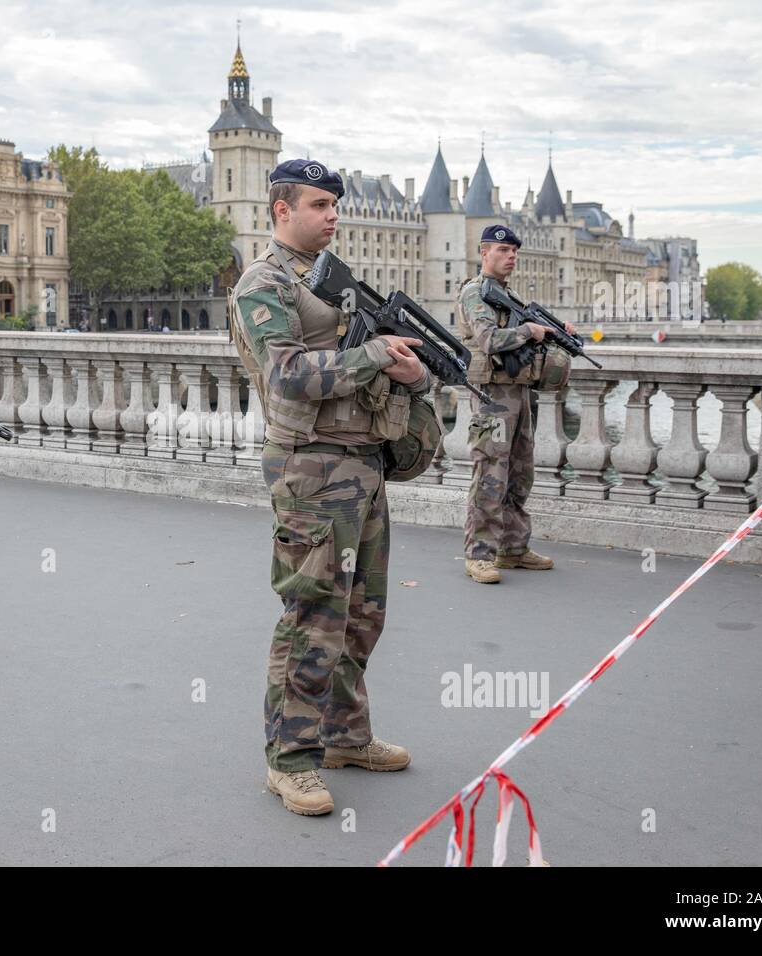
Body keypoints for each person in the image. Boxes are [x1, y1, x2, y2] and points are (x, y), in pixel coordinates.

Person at [230, 159, 430, 816]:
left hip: (362, 463)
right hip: (310, 471)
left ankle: (345, 735)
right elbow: (287, 373)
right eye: (319, 204)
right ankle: (289, 760)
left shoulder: (336, 286)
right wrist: (375, 356)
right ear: (281, 209)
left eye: (336, 204)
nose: (333, 215)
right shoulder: (262, 284)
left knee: (363, 615)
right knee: (312, 616)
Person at [457, 224, 573, 584]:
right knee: (490, 472)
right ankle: (479, 555)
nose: (511, 257)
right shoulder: (475, 293)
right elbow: (489, 340)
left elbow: (524, 341)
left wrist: (553, 333)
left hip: (518, 392)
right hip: (491, 399)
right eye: (502, 251)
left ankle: (513, 548)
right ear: (484, 253)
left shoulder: (511, 295)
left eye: (514, 252)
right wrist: (529, 331)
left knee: (520, 473)